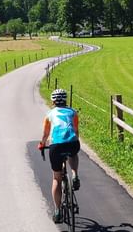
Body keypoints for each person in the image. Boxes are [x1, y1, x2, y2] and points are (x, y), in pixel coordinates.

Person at [37, 88, 80, 223]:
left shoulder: (49, 114)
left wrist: (42, 144)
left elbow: (45, 135)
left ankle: (57, 210)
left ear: (53, 101)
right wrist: (74, 141)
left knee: (56, 178)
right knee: (73, 154)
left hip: (56, 147)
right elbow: (76, 130)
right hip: (72, 143)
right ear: (65, 100)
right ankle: (75, 175)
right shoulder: (73, 112)